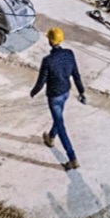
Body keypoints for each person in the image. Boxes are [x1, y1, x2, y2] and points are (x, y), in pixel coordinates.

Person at [30, 25, 86, 170]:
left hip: (54, 96)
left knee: (61, 125)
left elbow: (41, 82)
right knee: (58, 118)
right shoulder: (69, 54)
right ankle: (50, 138)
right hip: (66, 92)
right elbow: (76, 74)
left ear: (49, 40)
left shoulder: (47, 61)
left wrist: (34, 92)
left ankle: (72, 158)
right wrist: (81, 91)